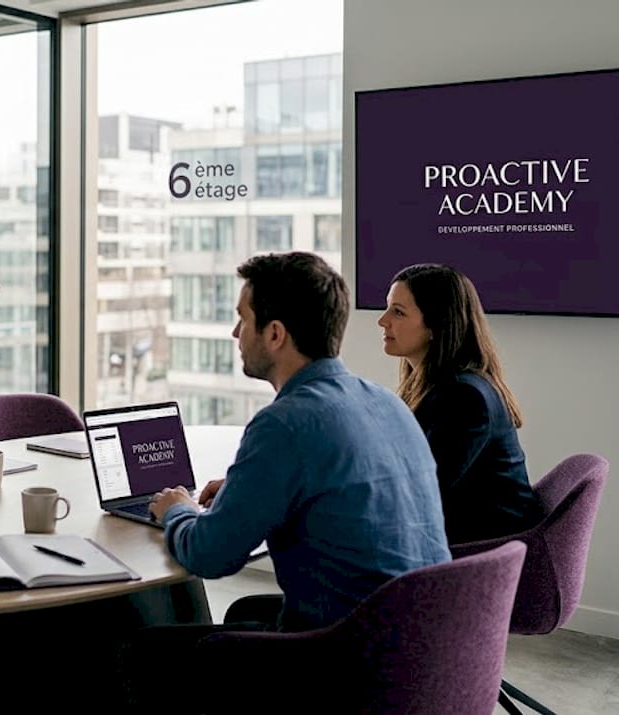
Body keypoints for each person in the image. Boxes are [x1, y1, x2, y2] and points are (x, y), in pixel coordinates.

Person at [121, 252, 451, 711]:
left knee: (146, 650)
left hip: (348, 666)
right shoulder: (385, 401)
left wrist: (176, 509)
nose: (236, 335)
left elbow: (210, 555)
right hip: (430, 654)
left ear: (275, 334)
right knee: (245, 614)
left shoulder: (286, 423)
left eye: (243, 320)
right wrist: (240, 493)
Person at [378, 263, 542, 543]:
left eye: (398, 312)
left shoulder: (464, 397)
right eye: (388, 307)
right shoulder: (440, 385)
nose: (382, 321)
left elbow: (422, 492)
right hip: (461, 541)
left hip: (484, 558)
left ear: (435, 326)